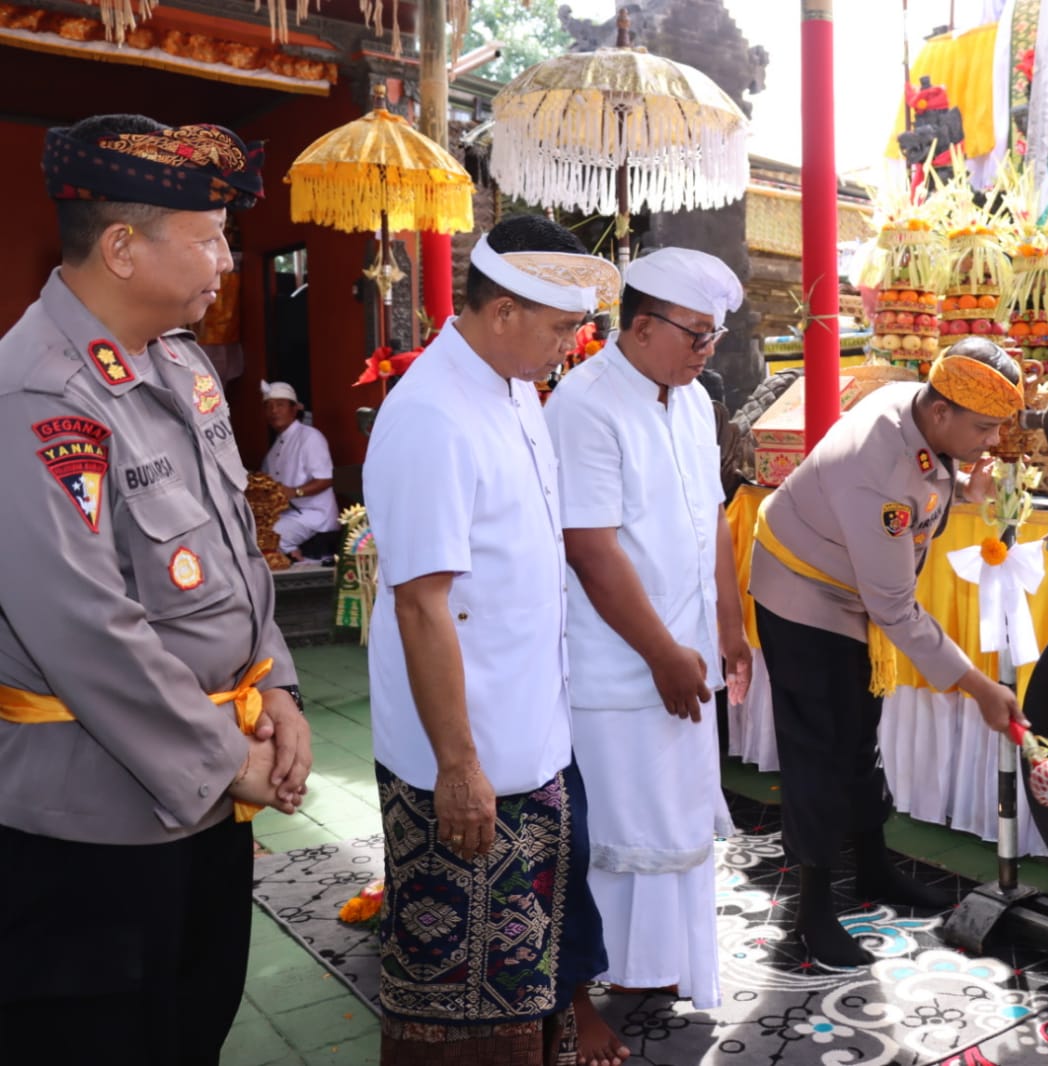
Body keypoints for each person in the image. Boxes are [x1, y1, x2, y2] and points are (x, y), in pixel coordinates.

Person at [0, 113, 312, 1065]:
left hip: (207, 791)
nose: (228, 260)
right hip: (94, 823)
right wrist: (227, 759)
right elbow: (86, 628)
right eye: (211, 238)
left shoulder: (182, 366)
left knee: (196, 1024)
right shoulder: (38, 395)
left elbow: (231, 557)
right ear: (125, 247)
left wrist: (281, 686)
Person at [362, 214, 620, 1065]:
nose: (567, 346)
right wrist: (459, 767)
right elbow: (422, 607)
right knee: (451, 996)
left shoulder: (510, 390)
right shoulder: (432, 414)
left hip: (524, 739)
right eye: (559, 328)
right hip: (461, 758)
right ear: (502, 311)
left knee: (516, 981)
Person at [748, 337, 1029, 967]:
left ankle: (873, 868)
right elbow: (895, 608)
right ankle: (812, 913)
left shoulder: (920, 416)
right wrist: (980, 688)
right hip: (803, 596)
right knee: (819, 749)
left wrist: (968, 492)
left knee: (860, 732)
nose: (989, 443)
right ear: (941, 413)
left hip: (851, 590)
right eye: (983, 429)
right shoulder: (875, 468)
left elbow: (927, 489)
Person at [544, 248, 753, 1024]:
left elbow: (713, 528)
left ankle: (654, 967)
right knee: (618, 829)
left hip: (685, 652)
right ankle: (585, 992)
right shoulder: (585, 405)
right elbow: (590, 548)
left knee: (677, 816)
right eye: (695, 335)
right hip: (619, 662)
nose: (706, 351)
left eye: (713, 337)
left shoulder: (693, 400)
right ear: (638, 326)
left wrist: (730, 629)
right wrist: (661, 651)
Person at [261, 380, 341, 559]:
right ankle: (292, 553)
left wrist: (295, 492)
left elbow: (327, 478)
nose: (274, 411)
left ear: (294, 408)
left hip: (315, 516)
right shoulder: (273, 451)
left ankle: (294, 554)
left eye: (280, 405)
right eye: (269, 406)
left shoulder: (309, 437)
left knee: (268, 537)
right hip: (287, 515)